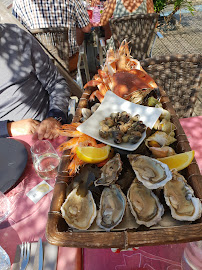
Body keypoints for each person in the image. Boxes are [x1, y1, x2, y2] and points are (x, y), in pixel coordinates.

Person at [0, 23, 71, 140]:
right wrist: (8, 128)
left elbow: (56, 83)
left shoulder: (16, 36)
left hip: (47, 136)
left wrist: (54, 117)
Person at [12, 0, 92, 72]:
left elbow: (17, 32)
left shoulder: (19, 2)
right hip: (69, 60)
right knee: (80, 28)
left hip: (39, 62)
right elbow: (86, 29)